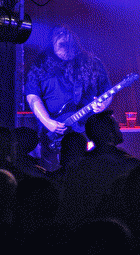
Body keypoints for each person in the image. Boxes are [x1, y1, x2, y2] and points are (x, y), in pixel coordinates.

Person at [25, 26, 112, 170]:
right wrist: (47, 121)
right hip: (53, 132)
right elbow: (32, 94)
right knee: (54, 172)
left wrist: (103, 105)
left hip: (87, 132)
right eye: (62, 45)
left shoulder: (92, 63)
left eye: (70, 44)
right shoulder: (41, 65)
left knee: (88, 171)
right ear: (52, 44)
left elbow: (107, 91)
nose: (67, 48)